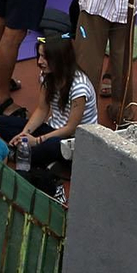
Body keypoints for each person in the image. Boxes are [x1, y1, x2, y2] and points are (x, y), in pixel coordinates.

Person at [11, 35, 96, 193]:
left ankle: (49, 161)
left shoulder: (79, 87)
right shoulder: (46, 75)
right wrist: (24, 134)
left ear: (60, 59)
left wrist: (36, 141)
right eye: (40, 55)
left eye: (45, 57)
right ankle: (48, 160)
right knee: (5, 123)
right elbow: (42, 109)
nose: (39, 61)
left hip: (72, 139)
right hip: (53, 129)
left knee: (37, 150)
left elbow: (71, 128)